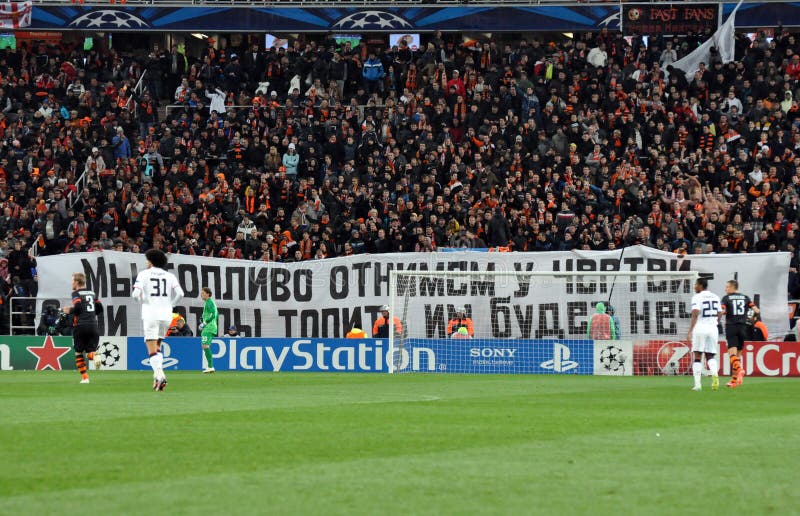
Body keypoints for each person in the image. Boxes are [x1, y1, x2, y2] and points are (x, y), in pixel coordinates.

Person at [132, 249, 184, 391]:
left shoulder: (143, 274)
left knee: (150, 347)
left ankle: (160, 375)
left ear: (151, 261)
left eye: (147, 260)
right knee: (158, 346)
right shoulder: (170, 276)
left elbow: (135, 294)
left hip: (150, 314)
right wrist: (171, 304)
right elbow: (180, 293)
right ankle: (157, 379)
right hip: (166, 315)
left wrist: (143, 300)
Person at [61, 273, 101, 384]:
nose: (71, 283)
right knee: (90, 352)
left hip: (81, 326)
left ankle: (85, 378)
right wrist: (90, 314)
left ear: (77, 282)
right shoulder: (92, 293)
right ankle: (95, 355)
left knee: (78, 353)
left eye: (72, 280)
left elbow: (78, 307)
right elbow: (100, 308)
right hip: (93, 325)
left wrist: (70, 310)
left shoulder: (76, 293)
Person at [720, 279, 757, 388]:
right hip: (743, 327)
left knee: (732, 354)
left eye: (727, 287)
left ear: (732, 287)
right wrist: (750, 318)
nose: (725, 289)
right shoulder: (745, 298)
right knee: (738, 356)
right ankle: (734, 381)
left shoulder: (726, 298)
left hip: (731, 327)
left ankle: (740, 370)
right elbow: (756, 310)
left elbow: (723, 311)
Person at [688, 277, 721, 391]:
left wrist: (690, 330)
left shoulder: (697, 297)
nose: (694, 286)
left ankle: (697, 385)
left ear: (701, 285)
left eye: (696, 284)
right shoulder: (716, 297)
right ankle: (715, 375)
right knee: (710, 355)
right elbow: (720, 313)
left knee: (697, 356)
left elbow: (695, 313)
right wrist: (715, 322)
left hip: (701, 327)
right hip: (713, 328)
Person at [199, 287, 218, 373]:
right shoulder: (209, 302)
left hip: (209, 327)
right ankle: (210, 366)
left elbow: (213, 314)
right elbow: (216, 315)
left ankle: (210, 366)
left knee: (205, 346)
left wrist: (205, 323)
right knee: (205, 346)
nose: (201, 294)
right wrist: (203, 319)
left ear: (208, 294)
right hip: (210, 326)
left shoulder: (209, 302)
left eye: (203, 293)